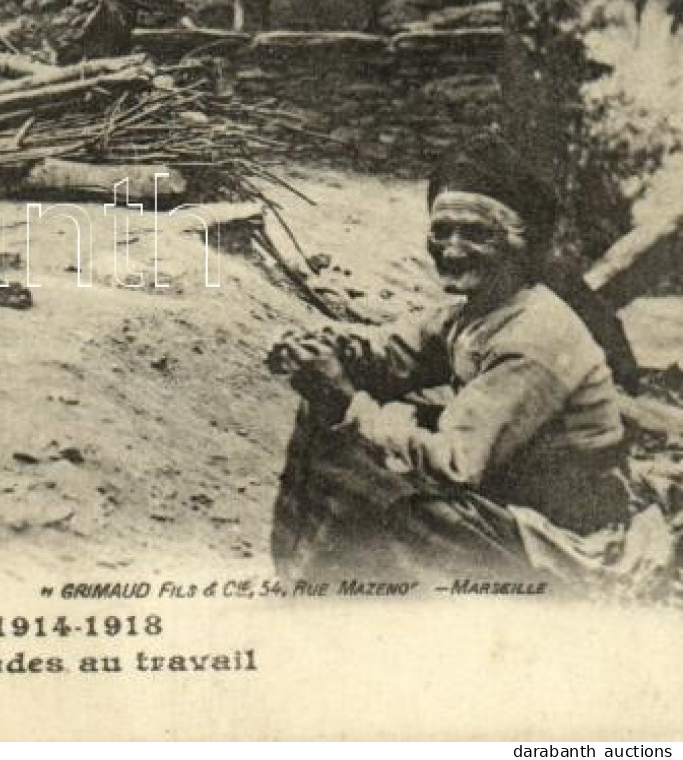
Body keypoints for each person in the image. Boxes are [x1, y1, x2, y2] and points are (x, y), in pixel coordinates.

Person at [267, 136, 670, 593]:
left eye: (476, 234)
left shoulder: (533, 336)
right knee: (326, 414)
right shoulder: (478, 310)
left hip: (560, 533)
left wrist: (347, 401)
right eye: (442, 232)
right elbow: (398, 354)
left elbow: (456, 467)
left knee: (384, 486)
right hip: (504, 490)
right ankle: (302, 585)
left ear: (520, 245)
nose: (452, 250)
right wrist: (330, 348)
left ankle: (347, 600)